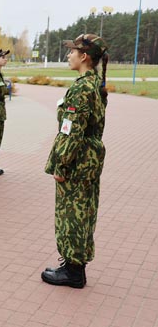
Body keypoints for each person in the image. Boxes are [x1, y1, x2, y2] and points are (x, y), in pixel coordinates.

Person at [42, 34, 108, 289]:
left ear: (84, 57)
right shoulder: (96, 84)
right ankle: (75, 265)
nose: (69, 55)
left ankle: (73, 269)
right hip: (89, 157)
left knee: (72, 212)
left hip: (78, 159)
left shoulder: (82, 87)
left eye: (73, 52)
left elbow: (71, 131)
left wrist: (61, 165)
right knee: (85, 209)